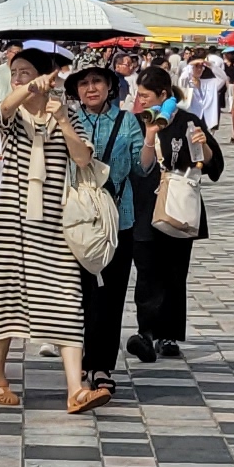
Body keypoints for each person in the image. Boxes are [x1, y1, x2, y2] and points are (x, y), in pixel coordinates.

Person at [0, 48, 102, 412]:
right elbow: (3, 109)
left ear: (47, 76)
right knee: (3, 300)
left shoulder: (67, 113)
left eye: (26, 72)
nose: (18, 78)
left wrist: (62, 119)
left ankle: (75, 389)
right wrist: (27, 88)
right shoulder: (13, 115)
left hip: (54, 224)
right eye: (15, 72)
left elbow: (83, 158)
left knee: (67, 299)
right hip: (12, 224)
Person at [131, 81, 224, 361]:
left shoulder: (189, 121)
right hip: (144, 207)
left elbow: (213, 166)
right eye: (139, 95)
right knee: (147, 272)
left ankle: (168, 335)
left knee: (174, 271)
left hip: (179, 206)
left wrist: (203, 145)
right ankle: (146, 333)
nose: (141, 100)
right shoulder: (136, 122)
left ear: (163, 94)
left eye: (146, 95)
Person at [69, 60, 147, 388]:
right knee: (78, 294)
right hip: (77, 219)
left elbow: (141, 168)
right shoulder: (69, 119)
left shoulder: (126, 121)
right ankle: (79, 361)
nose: (91, 88)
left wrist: (151, 137)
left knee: (111, 295)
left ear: (110, 87)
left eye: (97, 81)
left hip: (118, 219)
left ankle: (102, 366)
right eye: (84, 83)